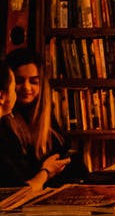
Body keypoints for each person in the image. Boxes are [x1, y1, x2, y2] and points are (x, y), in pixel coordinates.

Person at [0, 52, 75, 189]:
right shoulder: (4, 122)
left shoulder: (46, 117)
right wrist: (46, 172)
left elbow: (64, 155)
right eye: (19, 81)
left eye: (34, 81)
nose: (27, 88)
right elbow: (15, 184)